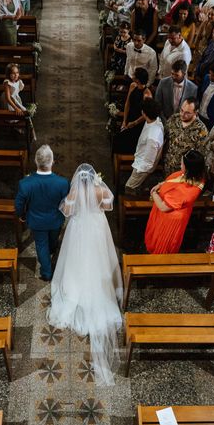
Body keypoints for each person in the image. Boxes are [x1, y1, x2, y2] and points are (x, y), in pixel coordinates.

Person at [47, 164, 122, 385]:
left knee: (77, 260)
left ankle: (76, 288)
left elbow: (67, 211)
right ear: (94, 178)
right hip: (98, 227)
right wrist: (97, 197)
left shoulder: (75, 192)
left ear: (78, 180)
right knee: (99, 258)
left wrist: (79, 203)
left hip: (79, 229)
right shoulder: (100, 190)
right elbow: (109, 203)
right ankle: (98, 289)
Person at [15, 145, 69, 281]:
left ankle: (46, 273)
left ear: (36, 161)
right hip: (56, 220)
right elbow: (66, 203)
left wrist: (21, 215)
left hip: (36, 221)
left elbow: (19, 204)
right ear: (52, 162)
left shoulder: (25, 183)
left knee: (41, 245)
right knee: (53, 240)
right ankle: (51, 253)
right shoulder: (63, 183)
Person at [145, 150, 206, 254]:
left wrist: (154, 193)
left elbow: (164, 207)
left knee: (162, 244)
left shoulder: (186, 190)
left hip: (169, 218)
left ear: (189, 168)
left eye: (182, 163)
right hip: (168, 210)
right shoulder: (195, 175)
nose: (180, 165)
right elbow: (175, 180)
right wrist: (160, 184)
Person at [125, 98, 165, 194]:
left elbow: (148, 161)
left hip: (142, 166)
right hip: (141, 157)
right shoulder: (155, 120)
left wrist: (138, 171)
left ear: (143, 113)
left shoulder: (153, 136)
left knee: (129, 187)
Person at [163, 98, 209, 177]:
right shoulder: (174, 119)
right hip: (167, 165)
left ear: (196, 112)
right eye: (181, 110)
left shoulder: (201, 130)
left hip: (183, 172)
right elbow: (164, 137)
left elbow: (201, 155)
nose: (182, 115)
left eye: (187, 113)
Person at [114, 67, 152, 154]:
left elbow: (146, 114)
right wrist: (124, 121)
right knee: (119, 139)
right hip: (129, 117)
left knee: (131, 144)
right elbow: (128, 103)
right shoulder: (133, 86)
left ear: (138, 79)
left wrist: (134, 123)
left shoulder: (147, 94)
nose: (132, 76)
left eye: (134, 75)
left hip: (138, 122)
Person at [190, 5, 214, 74]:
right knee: (195, 68)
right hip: (200, 49)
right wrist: (195, 47)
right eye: (209, 14)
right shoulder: (205, 22)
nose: (209, 16)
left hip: (210, 53)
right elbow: (198, 36)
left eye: (212, 14)